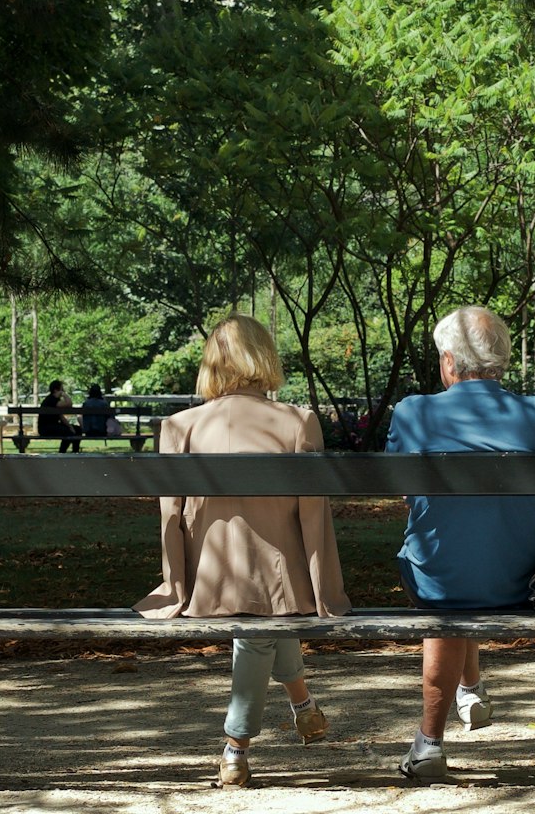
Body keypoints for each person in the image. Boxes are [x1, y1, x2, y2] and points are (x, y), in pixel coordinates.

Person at [134, 313, 350, 788]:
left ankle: (298, 709)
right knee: (266, 614)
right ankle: (238, 745)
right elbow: (315, 519)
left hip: (207, 586)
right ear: (264, 357)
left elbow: (170, 517)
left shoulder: (178, 426)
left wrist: (176, 588)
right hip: (281, 581)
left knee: (260, 620)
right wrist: (325, 592)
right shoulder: (298, 421)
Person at [385, 306, 535, 784]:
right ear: (501, 359)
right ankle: (471, 688)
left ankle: (429, 745)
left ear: (448, 362)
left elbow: (402, 491)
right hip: (522, 579)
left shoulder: (413, 412)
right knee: (468, 556)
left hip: (440, 580)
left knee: (446, 576)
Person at [38, 379, 81, 453]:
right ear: (56, 390)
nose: (63, 391)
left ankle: (75, 452)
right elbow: (69, 404)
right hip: (46, 428)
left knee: (78, 430)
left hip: (53, 426)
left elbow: (61, 417)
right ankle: (62, 453)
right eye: (62, 389)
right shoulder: (51, 400)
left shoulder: (55, 400)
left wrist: (70, 427)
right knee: (68, 432)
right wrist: (64, 394)